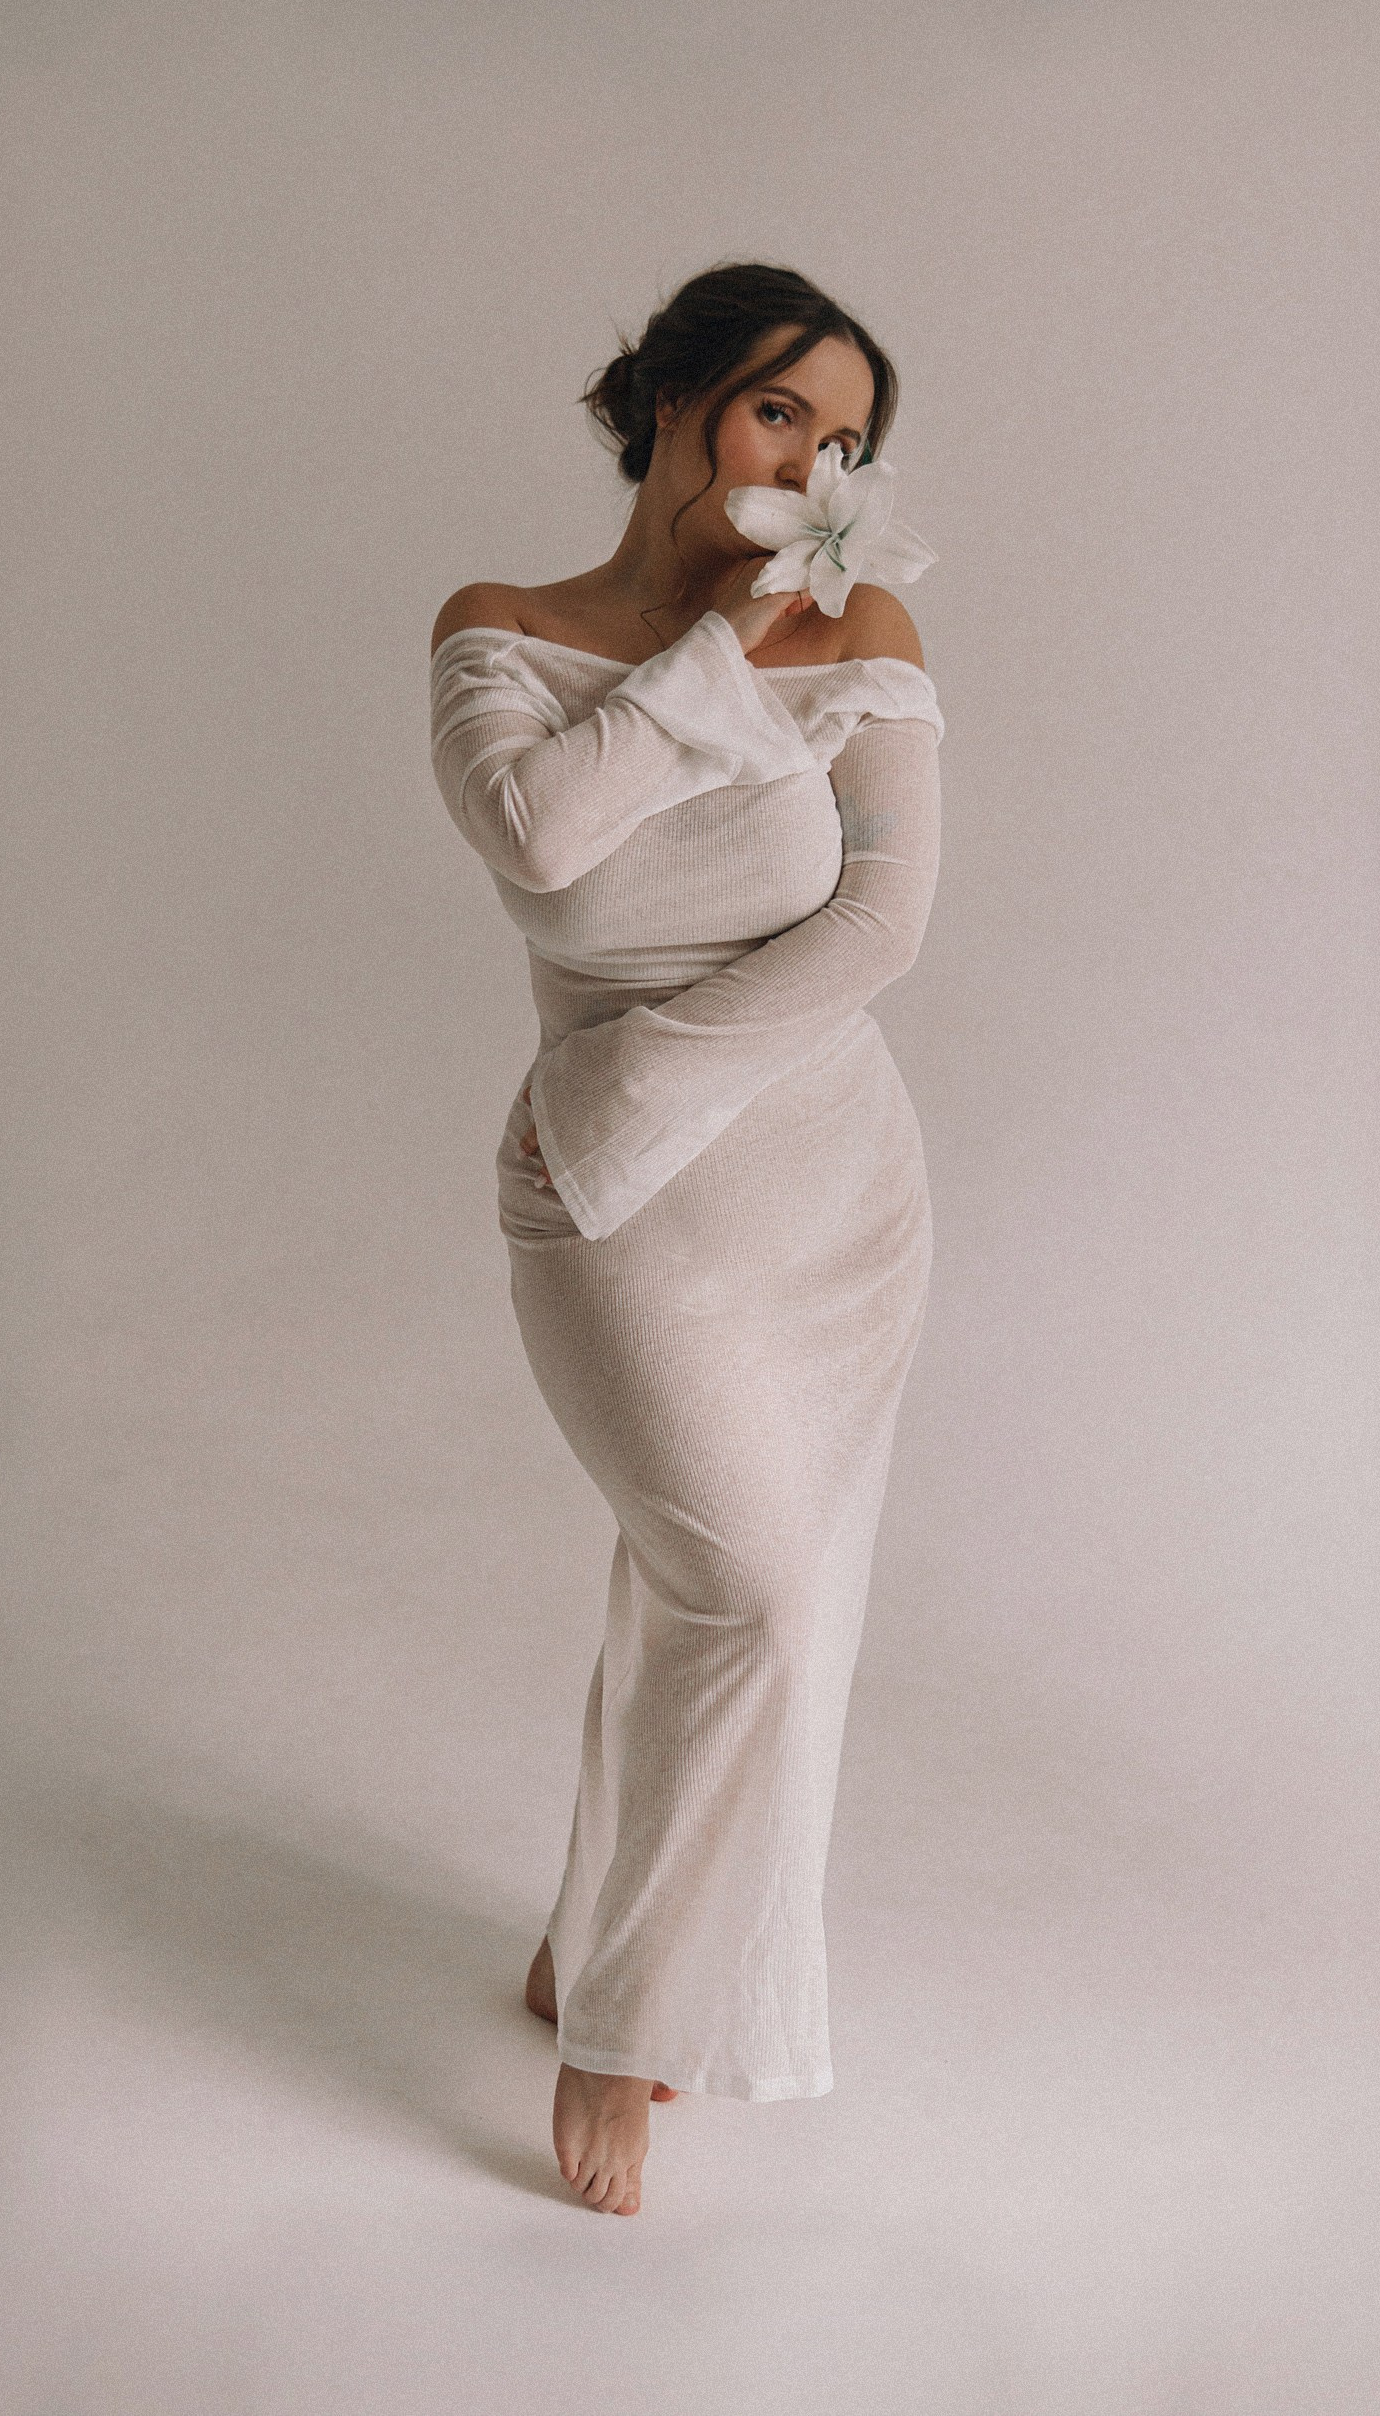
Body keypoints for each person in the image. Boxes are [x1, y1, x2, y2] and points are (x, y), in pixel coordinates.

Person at [428, 262, 945, 2216]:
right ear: (670, 403)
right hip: (610, 1201)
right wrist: (715, 651)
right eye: (778, 412)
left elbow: (879, 925)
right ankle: (621, 2027)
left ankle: (595, 1946)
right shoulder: (502, 629)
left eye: (844, 437)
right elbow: (542, 841)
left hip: (827, 1188)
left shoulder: (865, 628)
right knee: (748, 1594)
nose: (813, 465)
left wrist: (632, 1081)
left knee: (714, 1591)